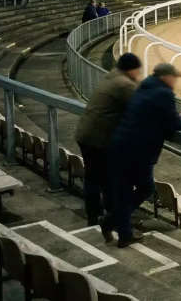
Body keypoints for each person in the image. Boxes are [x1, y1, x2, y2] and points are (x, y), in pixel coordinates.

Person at [109, 63, 181, 247]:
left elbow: (156, 116)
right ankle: (110, 220)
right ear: (165, 77)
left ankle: (122, 233)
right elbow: (172, 125)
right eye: (174, 77)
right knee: (146, 188)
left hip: (120, 144)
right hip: (139, 150)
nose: (175, 81)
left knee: (124, 192)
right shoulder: (164, 93)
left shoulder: (143, 88)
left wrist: (173, 117)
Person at [75, 53, 142, 239]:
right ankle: (115, 221)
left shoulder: (110, 77)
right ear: (131, 70)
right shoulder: (124, 84)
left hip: (85, 135)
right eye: (137, 70)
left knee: (92, 178)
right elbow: (142, 109)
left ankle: (94, 217)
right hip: (100, 139)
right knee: (111, 182)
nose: (139, 74)